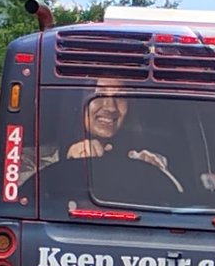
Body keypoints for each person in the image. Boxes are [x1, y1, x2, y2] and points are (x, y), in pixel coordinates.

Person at [18, 78, 181, 190]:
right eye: (99, 94)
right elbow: (17, 203)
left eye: (121, 97)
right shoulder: (31, 159)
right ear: (77, 101)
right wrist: (65, 163)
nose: (110, 107)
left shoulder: (146, 158)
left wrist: (157, 176)